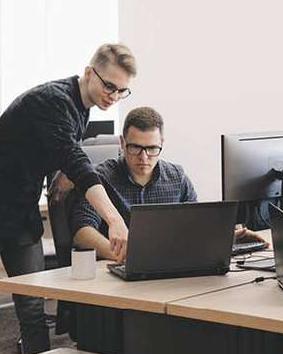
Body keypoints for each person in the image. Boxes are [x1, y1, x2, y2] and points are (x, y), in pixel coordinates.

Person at [0, 44, 136, 354]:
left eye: (122, 91)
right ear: (89, 72)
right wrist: (114, 219)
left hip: (20, 213)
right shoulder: (52, 100)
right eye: (109, 86)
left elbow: (61, 150)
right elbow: (76, 160)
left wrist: (64, 172)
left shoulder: (82, 106)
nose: (114, 96)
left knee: (33, 308)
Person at [70, 107, 265, 260]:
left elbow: (195, 226)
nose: (144, 157)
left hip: (169, 266)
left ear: (162, 142)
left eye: (152, 148)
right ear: (122, 143)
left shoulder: (176, 177)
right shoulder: (101, 178)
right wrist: (122, 256)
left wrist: (226, 236)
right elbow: (82, 233)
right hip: (118, 272)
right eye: (135, 148)